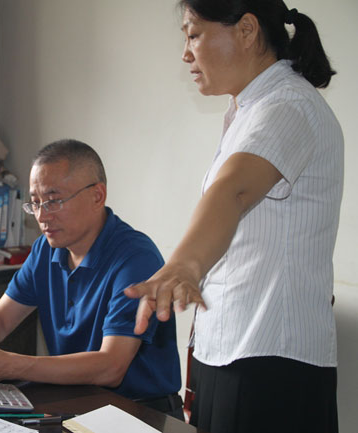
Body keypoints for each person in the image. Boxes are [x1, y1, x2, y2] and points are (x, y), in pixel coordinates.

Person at [124, 1, 343, 432]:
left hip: (270, 360)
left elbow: (233, 191)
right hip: (235, 350)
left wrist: (184, 265)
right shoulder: (250, 109)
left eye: (194, 34)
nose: (185, 53)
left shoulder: (288, 105)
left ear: (246, 30)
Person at [0, 139, 183, 418]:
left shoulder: (135, 259)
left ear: (97, 196)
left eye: (53, 201)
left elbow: (111, 367)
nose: (42, 216)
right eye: (36, 203)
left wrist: (12, 364)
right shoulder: (46, 249)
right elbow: (0, 319)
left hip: (138, 411)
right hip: (76, 397)